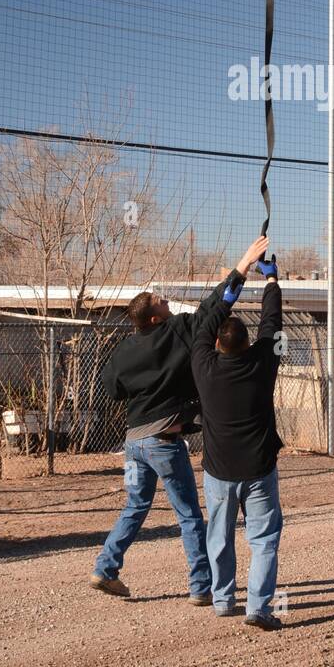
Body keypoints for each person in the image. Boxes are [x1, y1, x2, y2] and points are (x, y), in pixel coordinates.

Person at [90, 235, 269, 600]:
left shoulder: (124, 348)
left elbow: (112, 389)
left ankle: (105, 569)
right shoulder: (176, 330)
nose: (166, 299)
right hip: (163, 442)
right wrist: (243, 265)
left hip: (133, 443)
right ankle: (202, 587)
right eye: (160, 300)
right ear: (155, 317)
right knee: (188, 514)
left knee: (136, 505)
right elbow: (213, 310)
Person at [191, 253, 284, 631]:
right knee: (263, 540)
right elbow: (272, 324)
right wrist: (272, 281)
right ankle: (258, 609)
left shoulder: (203, 363)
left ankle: (223, 598)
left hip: (219, 471)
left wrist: (241, 272)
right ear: (248, 343)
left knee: (220, 535)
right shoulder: (264, 361)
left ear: (217, 343)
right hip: (259, 468)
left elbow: (205, 321)